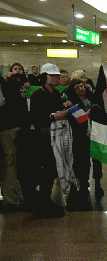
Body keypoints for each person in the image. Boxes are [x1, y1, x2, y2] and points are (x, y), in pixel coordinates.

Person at [30, 63, 73, 218]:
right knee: (48, 169)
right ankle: (44, 202)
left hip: (57, 136)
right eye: (52, 75)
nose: (56, 78)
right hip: (45, 136)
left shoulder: (56, 94)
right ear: (44, 77)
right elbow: (36, 118)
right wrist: (54, 117)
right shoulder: (37, 95)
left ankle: (46, 200)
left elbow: (63, 109)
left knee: (53, 168)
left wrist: (68, 106)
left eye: (56, 76)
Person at [64, 78, 96, 210]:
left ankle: (85, 183)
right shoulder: (71, 103)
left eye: (82, 86)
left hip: (93, 134)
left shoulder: (92, 97)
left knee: (89, 162)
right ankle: (78, 184)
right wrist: (91, 112)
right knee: (79, 161)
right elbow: (81, 119)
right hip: (79, 136)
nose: (81, 89)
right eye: (77, 88)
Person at [0, 73, 28, 211]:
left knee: (8, 165)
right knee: (9, 165)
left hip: (6, 128)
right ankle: (14, 199)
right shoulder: (10, 85)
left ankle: (13, 199)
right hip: (9, 128)